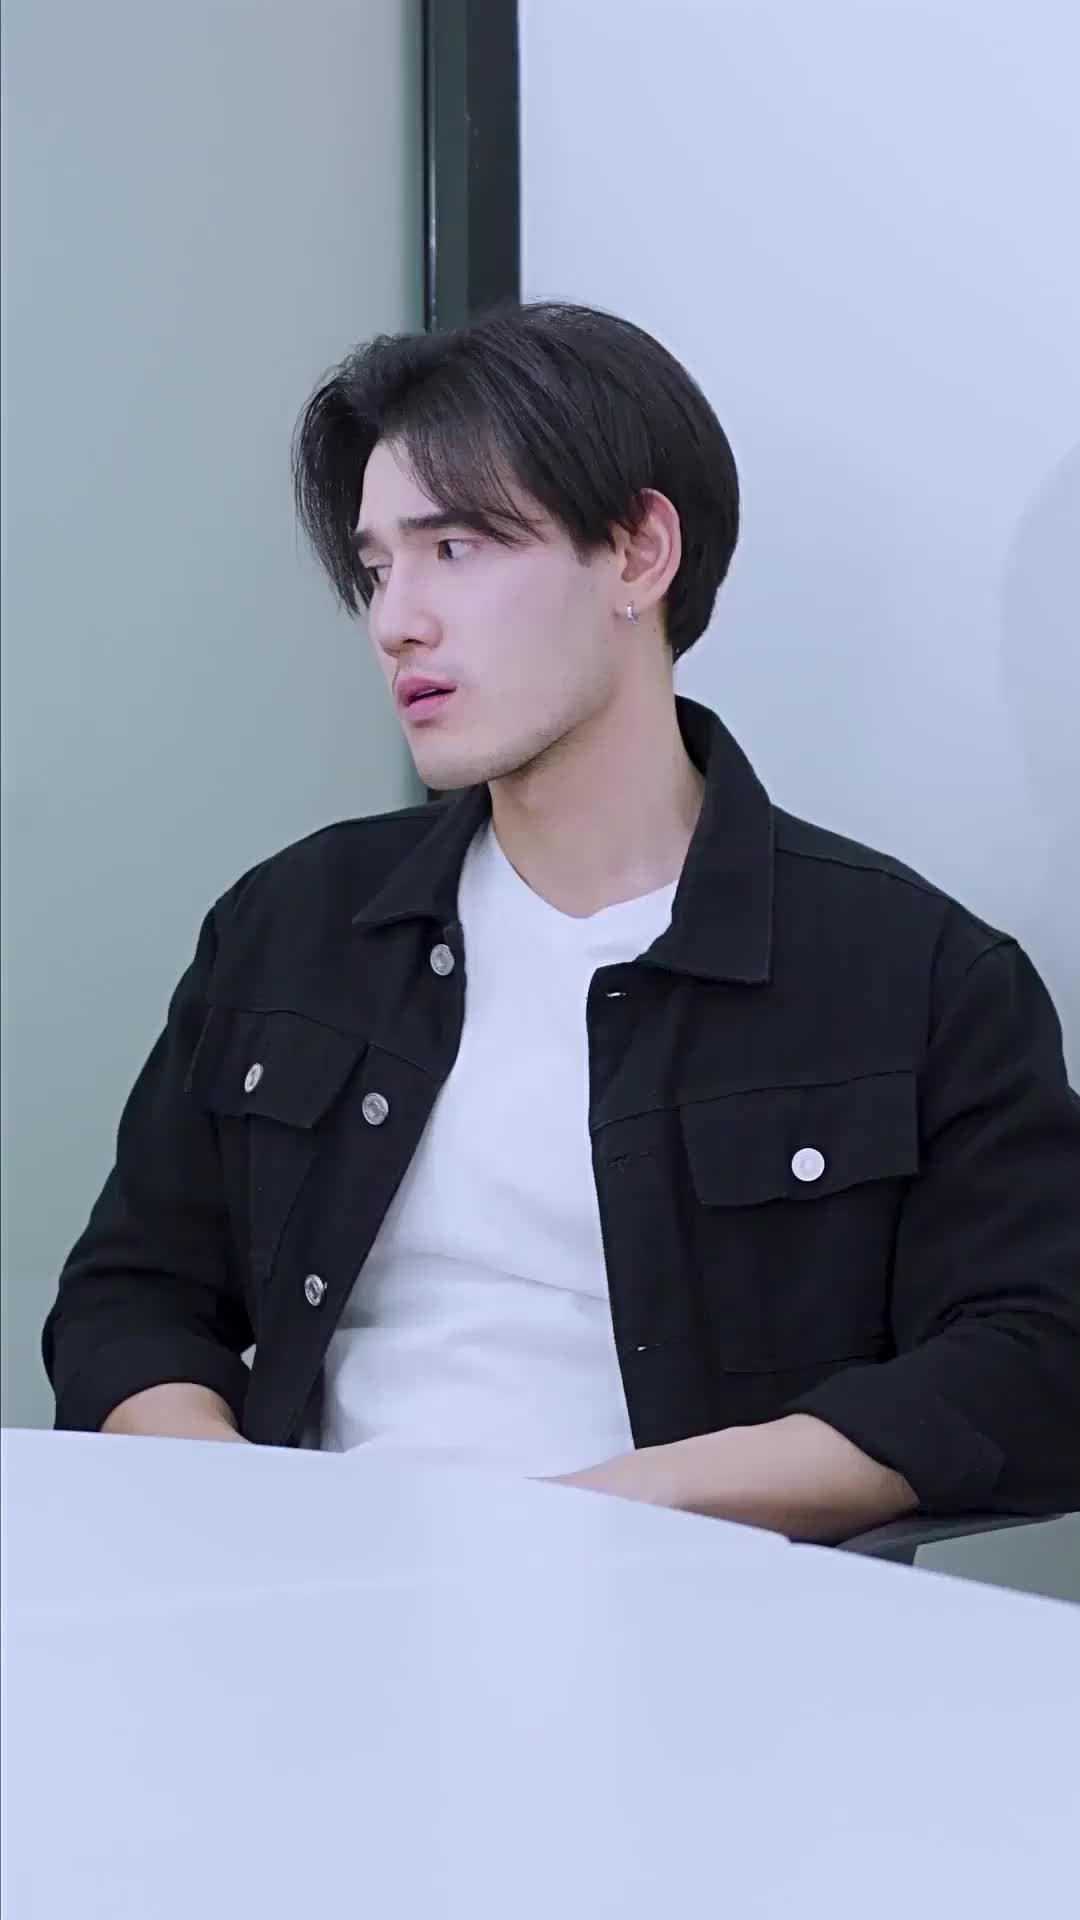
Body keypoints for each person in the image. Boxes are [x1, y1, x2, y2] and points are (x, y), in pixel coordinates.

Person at [43, 301, 1080, 1542]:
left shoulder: (916, 974)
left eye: (456, 548)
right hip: (304, 1592)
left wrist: (603, 1517)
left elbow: (1035, 1361)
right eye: (377, 567)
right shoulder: (293, 925)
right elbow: (129, 1303)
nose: (395, 620)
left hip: (690, 1610)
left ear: (639, 554)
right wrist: (254, 1513)